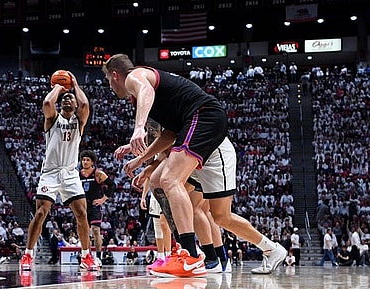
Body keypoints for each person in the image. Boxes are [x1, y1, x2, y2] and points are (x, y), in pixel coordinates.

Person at [103, 54, 286, 276]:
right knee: (218, 215)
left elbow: (146, 91)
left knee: (169, 179)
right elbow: (170, 134)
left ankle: (191, 256)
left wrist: (139, 127)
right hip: (200, 129)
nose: (110, 87)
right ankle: (271, 249)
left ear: (115, 75)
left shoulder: (136, 76)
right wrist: (142, 159)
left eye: (108, 80)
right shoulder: (160, 100)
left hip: (206, 120)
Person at [20, 72, 100, 272]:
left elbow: (85, 106)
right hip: (50, 172)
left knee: (82, 213)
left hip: (71, 173)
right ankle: (28, 255)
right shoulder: (53, 119)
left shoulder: (79, 122)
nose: (66, 99)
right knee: (40, 213)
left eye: (70, 98)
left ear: (74, 106)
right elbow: (48, 102)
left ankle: (86, 256)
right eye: (64, 98)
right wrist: (59, 87)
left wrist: (75, 85)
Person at [78, 149, 109, 261]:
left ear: (92, 162)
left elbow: (112, 185)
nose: (85, 162)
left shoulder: (98, 173)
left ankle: (98, 257)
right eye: (83, 160)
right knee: (84, 232)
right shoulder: (77, 174)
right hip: (82, 206)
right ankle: (86, 255)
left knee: (96, 230)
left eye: (87, 160)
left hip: (94, 205)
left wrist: (103, 199)